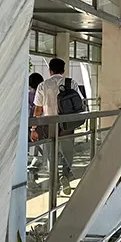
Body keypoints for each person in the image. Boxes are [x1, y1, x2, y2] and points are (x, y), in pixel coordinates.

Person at [32, 58, 83, 195]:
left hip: (49, 123)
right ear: (63, 70)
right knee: (67, 151)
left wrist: (34, 128)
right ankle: (65, 175)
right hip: (67, 123)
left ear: (50, 71)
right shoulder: (71, 83)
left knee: (51, 153)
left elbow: (38, 109)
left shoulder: (43, 85)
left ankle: (54, 182)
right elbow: (79, 102)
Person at [28, 72, 44, 175]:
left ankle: (32, 168)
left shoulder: (28, 95)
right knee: (38, 145)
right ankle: (35, 165)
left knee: (31, 145)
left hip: (29, 123)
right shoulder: (42, 94)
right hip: (40, 123)